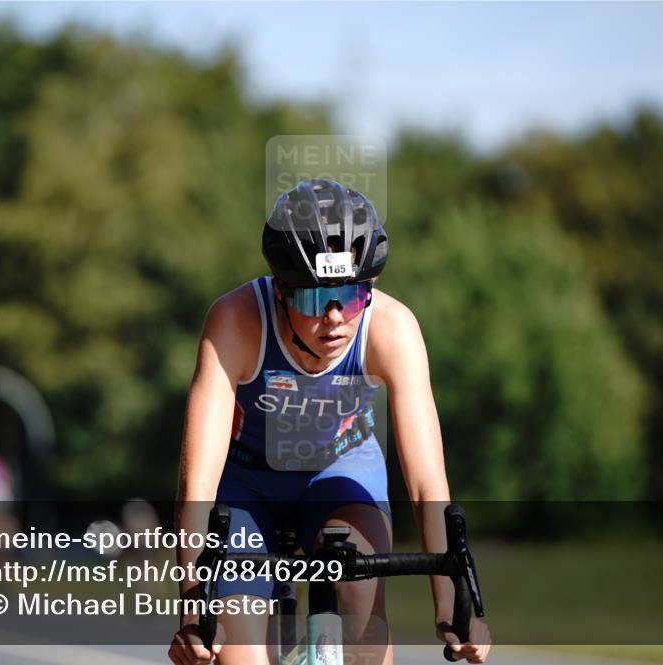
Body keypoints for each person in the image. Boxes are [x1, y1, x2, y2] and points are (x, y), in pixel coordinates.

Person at [169, 179, 491, 665]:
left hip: (341, 469)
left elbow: (427, 485)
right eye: (316, 300)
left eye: (352, 294)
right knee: (239, 658)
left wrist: (452, 604)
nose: (337, 318)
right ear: (280, 291)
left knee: (360, 594)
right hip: (248, 483)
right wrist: (195, 609)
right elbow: (196, 483)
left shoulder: (392, 328)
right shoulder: (235, 322)